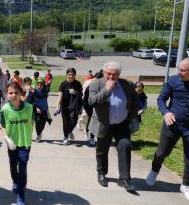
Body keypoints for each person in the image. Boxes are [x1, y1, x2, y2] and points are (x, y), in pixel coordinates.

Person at [88, 61, 138, 191]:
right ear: (104, 72)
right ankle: (101, 173)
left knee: (125, 146)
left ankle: (124, 179)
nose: (111, 77)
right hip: (104, 123)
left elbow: (134, 101)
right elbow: (92, 101)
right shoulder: (96, 84)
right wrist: (107, 89)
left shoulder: (127, 85)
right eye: (108, 74)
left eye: (114, 74)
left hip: (121, 124)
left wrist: (132, 118)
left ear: (119, 74)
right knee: (102, 150)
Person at [146, 57, 189, 200]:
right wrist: (166, 112)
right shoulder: (173, 81)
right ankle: (154, 170)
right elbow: (161, 99)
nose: (179, 72)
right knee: (161, 152)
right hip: (172, 124)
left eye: (182, 70)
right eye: (179, 69)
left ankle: (186, 185)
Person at [0, 82, 35, 205]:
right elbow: (3, 125)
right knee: (13, 166)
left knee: (23, 168)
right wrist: (6, 138)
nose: (13, 95)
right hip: (12, 144)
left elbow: (32, 122)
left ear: (21, 93)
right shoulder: (5, 109)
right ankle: (15, 181)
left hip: (25, 143)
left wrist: (27, 135)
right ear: (7, 94)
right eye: (10, 93)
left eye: (16, 92)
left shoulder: (29, 107)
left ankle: (20, 197)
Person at [56, 68, 83, 145]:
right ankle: (65, 136)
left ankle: (69, 131)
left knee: (74, 121)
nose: (71, 76)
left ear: (75, 75)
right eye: (69, 74)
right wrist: (57, 106)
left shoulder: (78, 84)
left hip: (74, 106)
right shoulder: (63, 84)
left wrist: (75, 92)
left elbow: (81, 95)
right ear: (67, 75)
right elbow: (60, 95)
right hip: (65, 106)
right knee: (65, 122)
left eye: (72, 75)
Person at [82, 71, 103, 146]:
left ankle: (89, 133)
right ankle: (91, 136)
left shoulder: (102, 86)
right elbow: (86, 98)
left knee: (94, 120)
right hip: (88, 105)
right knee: (93, 119)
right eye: (97, 79)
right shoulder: (90, 85)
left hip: (96, 105)